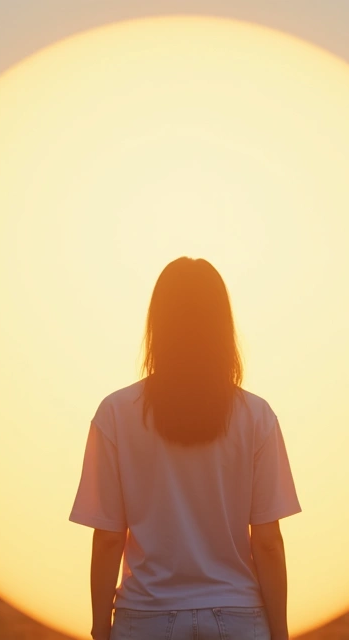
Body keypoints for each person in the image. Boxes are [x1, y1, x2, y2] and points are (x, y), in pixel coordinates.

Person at [69, 256, 302, 640]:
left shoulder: (115, 413)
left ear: (157, 324)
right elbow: (267, 542)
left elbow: (109, 537)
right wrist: (279, 632)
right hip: (238, 616)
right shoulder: (256, 416)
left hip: (145, 615)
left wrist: (99, 629)